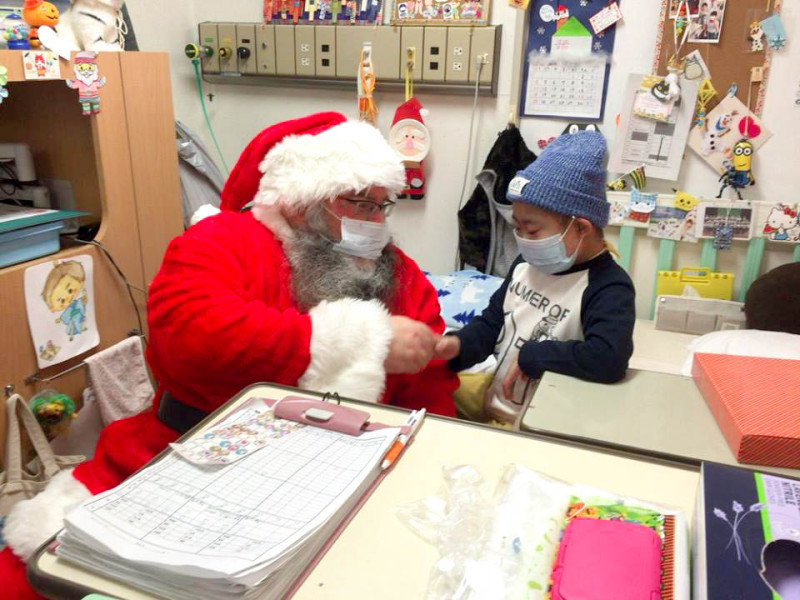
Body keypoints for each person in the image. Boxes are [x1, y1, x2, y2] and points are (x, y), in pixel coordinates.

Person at [0, 112, 458, 597]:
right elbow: (192, 336)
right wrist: (363, 339)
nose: (376, 224)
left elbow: (430, 384)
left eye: (383, 207)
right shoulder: (221, 243)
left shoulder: (398, 272)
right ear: (301, 201)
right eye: (360, 203)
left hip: (339, 474)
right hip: (189, 453)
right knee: (38, 575)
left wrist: (433, 452)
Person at [435, 131, 635, 425]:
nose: (522, 239)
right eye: (517, 227)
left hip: (543, 424)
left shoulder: (608, 287)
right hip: (496, 404)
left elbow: (609, 358)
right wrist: (454, 347)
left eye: (532, 230)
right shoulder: (524, 266)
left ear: (581, 228)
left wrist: (534, 356)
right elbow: (491, 326)